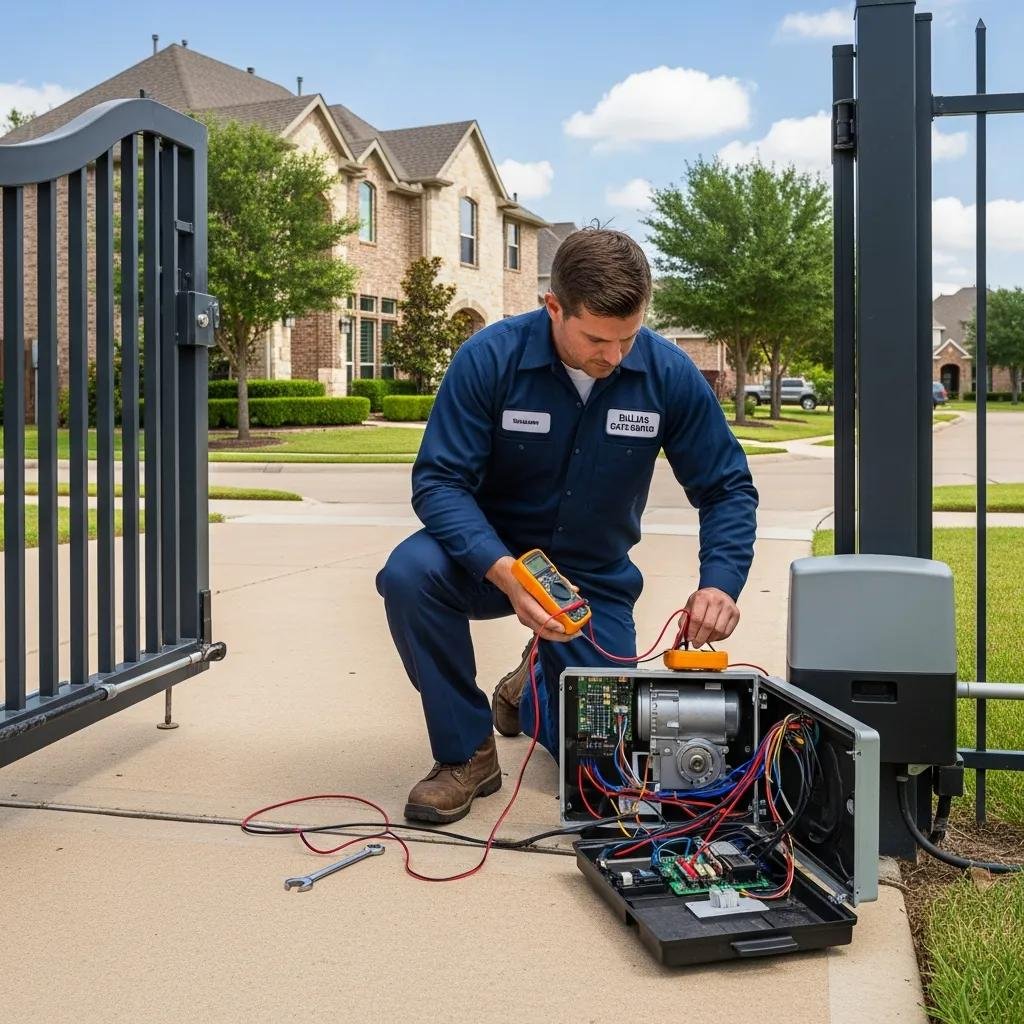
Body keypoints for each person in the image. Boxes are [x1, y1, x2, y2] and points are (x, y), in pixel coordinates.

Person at [376, 228, 758, 824]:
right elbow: (439, 482)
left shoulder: (667, 374)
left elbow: (726, 486)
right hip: (490, 559)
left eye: (628, 337)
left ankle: (527, 693)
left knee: (601, 778)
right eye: (598, 340)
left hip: (591, 580)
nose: (615, 357)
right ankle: (466, 752)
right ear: (553, 306)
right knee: (409, 573)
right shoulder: (489, 359)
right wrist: (505, 573)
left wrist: (720, 582)